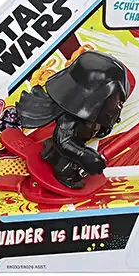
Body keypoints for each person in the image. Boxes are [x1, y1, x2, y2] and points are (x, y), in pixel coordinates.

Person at [16, 51, 129, 188]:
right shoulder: (71, 118)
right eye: (116, 99)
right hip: (65, 155)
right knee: (66, 167)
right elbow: (64, 141)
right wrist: (85, 156)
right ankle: (66, 175)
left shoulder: (100, 113)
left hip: (79, 144)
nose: (118, 105)